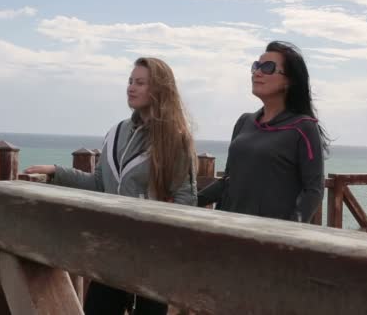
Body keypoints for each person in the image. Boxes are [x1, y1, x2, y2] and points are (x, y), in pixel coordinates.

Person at [24, 57, 197, 315]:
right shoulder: (116, 132)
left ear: (159, 89)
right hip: (111, 250)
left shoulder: (175, 140)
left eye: (140, 83)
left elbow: (186, 200)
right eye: (130, 81)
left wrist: (165, 249)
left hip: (151, 255)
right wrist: (56, 172)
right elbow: (98, 184)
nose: (131, 87)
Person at [198, 41, 328, 223]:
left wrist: (290, 230)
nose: (257, 72)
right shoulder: (244, 121)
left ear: (288, 81)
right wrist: (191, 201)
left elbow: (313, 190)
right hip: (228, 227)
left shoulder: (303, 127)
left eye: (268, 67)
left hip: (269, 236)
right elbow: (229, 180)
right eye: (256, 66)